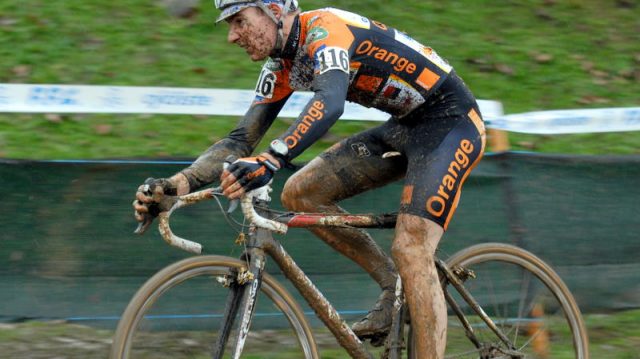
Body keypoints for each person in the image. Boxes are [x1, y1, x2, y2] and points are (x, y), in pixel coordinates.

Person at [133, 1, 486, 357]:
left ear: (273, 10)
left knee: (411, 248)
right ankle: (394, 287)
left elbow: (330, 102)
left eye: (240, 21)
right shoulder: (281, 63)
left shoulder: (325, 30)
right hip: (403, 127)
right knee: (300, 193)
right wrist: (175, 186)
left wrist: (272, 159)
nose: (231, 36)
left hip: (451, 125)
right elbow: (240, 141)